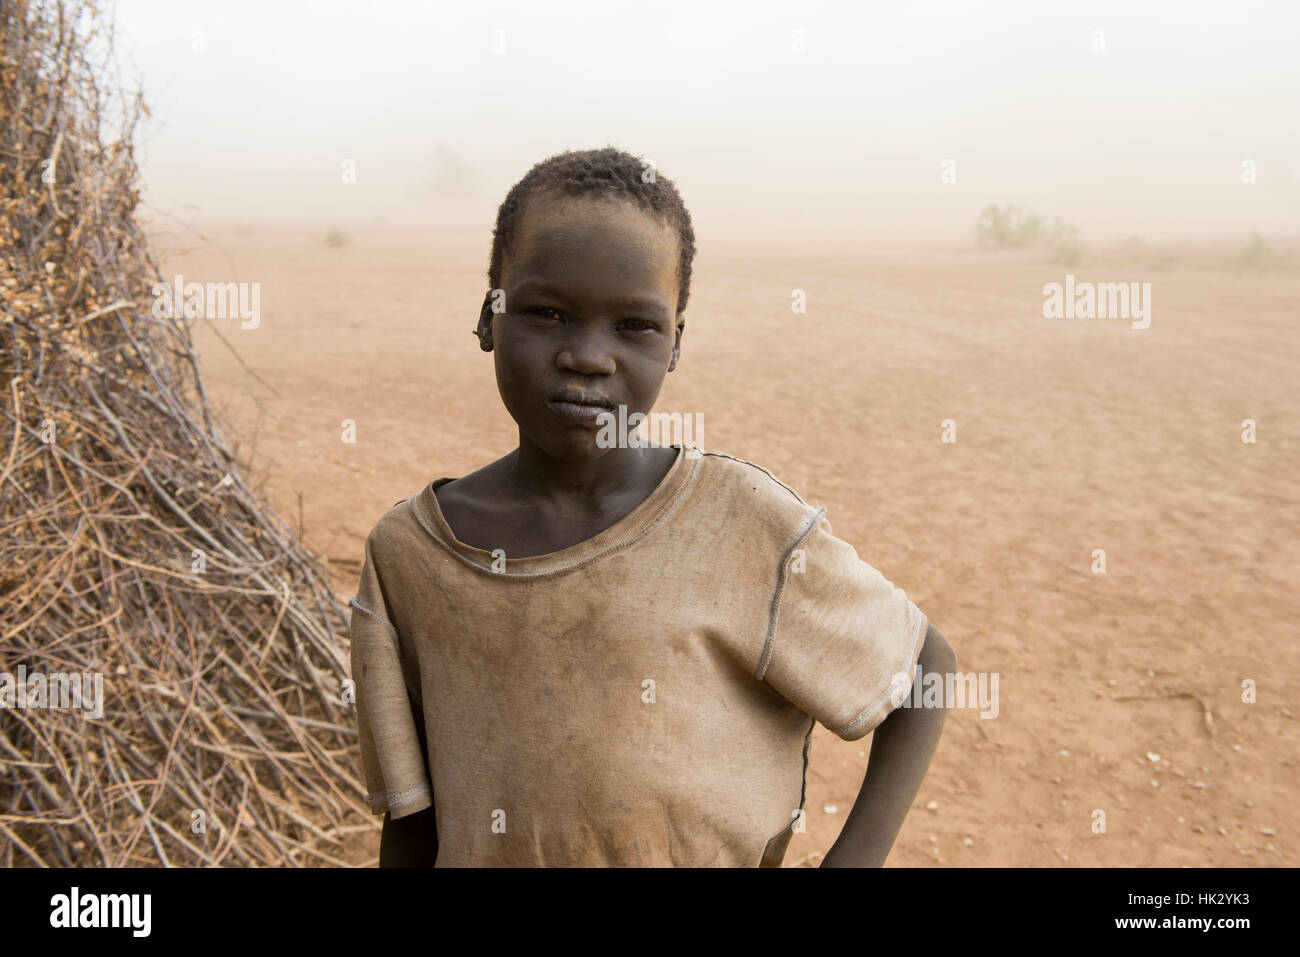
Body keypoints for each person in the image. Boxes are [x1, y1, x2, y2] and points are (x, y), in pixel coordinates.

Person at [349, 146, 956, 867]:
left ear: (674, 347)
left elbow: (923, 666)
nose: (588, 356)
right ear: (489, 318)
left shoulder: (739, 523)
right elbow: (413, 824)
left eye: (634, 326)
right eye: (547, 312)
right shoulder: (410, 557)